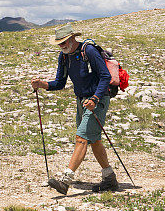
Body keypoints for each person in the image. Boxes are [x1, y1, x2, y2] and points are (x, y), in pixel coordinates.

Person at [31, 23, 117, 194]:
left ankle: (65, 180)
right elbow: (60, 83)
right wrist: (43, 84)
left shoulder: (89, 51)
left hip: (96, 100)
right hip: (82, 101)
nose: (62, 46)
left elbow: (105, 76)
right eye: (59, 43)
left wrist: (95, 98)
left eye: (63, 42)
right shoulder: (63, 57)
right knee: (93, 139)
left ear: (72, 38)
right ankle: (110, 179)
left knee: (81, 138)